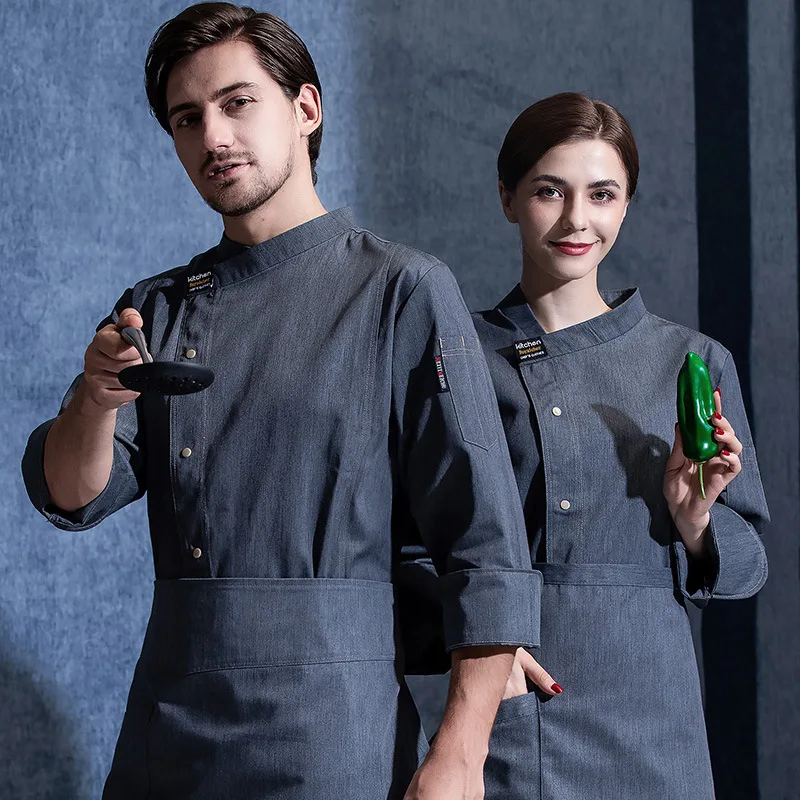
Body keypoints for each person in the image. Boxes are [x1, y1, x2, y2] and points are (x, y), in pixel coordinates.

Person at [21, 4, 541, 798]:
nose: (213, 138)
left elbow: (484, 546)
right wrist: (94, 401)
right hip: (172, 722)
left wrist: (459, 757)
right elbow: (70, 495)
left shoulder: (400, 290)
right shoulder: (156, 308)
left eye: (237, 103)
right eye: (186, 119)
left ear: (305, 108)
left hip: (334, 726)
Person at [470, 92, 770, 798]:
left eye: (602, 195)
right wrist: (489, 649)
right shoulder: (459, 355)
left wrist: (695, 520)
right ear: (508, 197)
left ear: (627, 204)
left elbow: (748, 563)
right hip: (516, 695)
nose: (578, 219)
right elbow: (413, 541)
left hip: (652, 709)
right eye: (550, 191)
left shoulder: (690, 360)